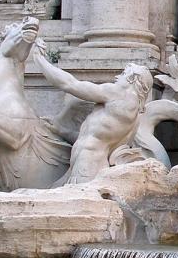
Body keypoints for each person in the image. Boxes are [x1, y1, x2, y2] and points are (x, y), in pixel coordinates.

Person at [31, 50, 152, 185]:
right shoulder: (132, 112)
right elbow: (94, 137)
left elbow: (70, 84)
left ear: (132, 79)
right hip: (88, 165)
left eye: (123, 74)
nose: (117, 77)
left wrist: (39, 60)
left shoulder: (119, 94)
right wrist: (61, 131)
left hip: (87, 166)